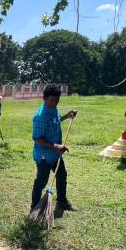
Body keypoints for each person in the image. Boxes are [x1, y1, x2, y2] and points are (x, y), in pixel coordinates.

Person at [31, 84, 78, 212]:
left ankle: (62, 202)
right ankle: (34, 207)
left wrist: (67, 116)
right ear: (44, 98)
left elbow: (56, 120)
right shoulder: (40, 116)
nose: (55, 103)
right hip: (44, 156)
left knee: (62, 175)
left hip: (56, 154)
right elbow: (37, 138)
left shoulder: (53, 109)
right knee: (41, 181)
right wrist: (56, 146)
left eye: (57, 100)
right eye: (52, 100)